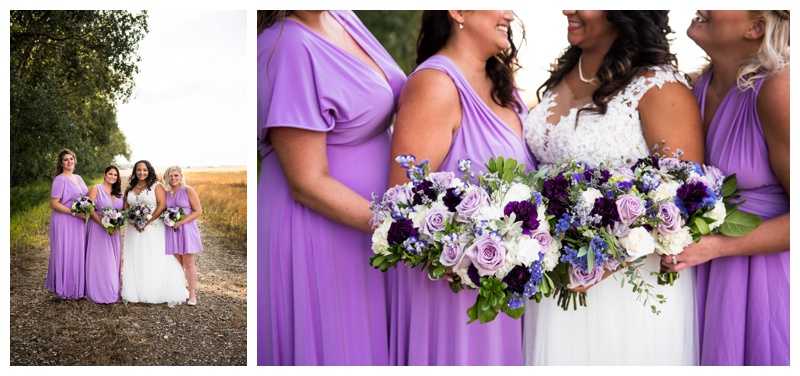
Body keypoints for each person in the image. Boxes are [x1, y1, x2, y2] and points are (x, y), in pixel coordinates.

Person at [522, 11, 704, 365]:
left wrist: (607, 258)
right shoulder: (563, 72)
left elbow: (688, 196)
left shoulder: (658, 86)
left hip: (627, 286)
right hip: (555, 277)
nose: (568, 9)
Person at [257, 10, 406, 365]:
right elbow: (307, 182)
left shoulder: (341, 15)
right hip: (323, 227)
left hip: (368, 228)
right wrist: (399, 228)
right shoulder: (286, 45)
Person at [388, 10, 535, 366]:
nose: (510, 14)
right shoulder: (436, 84)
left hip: (504, 290)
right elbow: (402, 206)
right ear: (458, 11)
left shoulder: (505, 88)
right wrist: (470, 254)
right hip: (452, 295)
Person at [659, 10, 790, 366]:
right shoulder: (693, 88)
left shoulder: (778, 89)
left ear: (756, 27)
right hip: (704, 271)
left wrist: (716, 246)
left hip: (765, 278)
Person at [120, 160, 188, 307]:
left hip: (153, 226)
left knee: (153, 255)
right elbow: (125, 208)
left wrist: (147, 221)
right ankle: (137, 291)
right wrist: (132, 221)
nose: (141, 173)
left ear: (149, 170)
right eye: (138, 170)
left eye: (144, 170)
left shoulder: (156, 186)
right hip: (134, 228)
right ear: (135, 172)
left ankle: (155, 291)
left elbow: (162, 205)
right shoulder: (130, 188)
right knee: (136, 255)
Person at [47, 149, 90, 299]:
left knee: (77, 252)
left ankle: (76, 287)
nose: (69, 161)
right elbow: (54, 203)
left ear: (75, 161)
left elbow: (86, 196)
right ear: (61, 162)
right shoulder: (60, 179)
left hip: (78, 221)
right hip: (64, 220)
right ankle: (63, 289)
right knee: (65, 252)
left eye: (71, 158)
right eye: (66, 159)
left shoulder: (78, 177)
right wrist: (74, 213)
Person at [163, 166, 203, 306]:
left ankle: (192, 295)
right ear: (166, 177)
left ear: (181, 176)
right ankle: (180, 291)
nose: (173, 178)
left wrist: (181, 222)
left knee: (188, 263)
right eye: (170, 176)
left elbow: (198, 211)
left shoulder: (187, 190)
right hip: (171, 231)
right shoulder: (166, 193)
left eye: (176, 175)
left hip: (186, 229)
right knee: (177, 263)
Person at [85, 165, 124, 304]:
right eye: (110, 174)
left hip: (114, 231)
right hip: (98, 228)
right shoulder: (96, 188)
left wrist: (117, 224)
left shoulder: (119, 192)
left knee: (113, 260)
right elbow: (89, 209)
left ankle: (112, 289)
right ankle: (99, 291)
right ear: (104, 174)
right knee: (101, 260)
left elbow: (124, 210)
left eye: (115, 175)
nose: (112, 177)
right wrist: (103, 224)